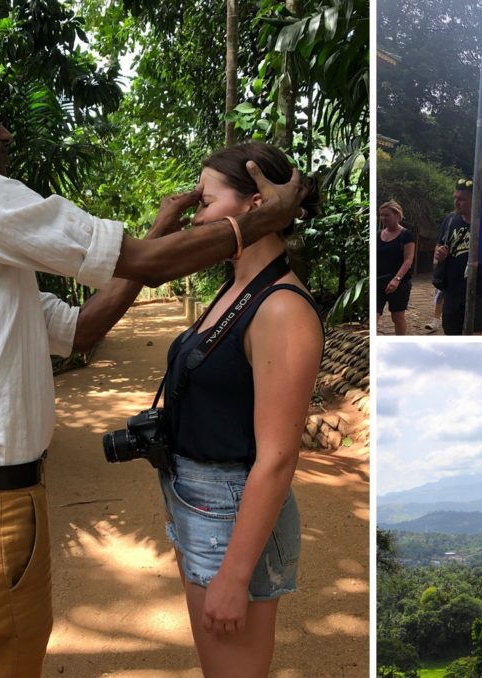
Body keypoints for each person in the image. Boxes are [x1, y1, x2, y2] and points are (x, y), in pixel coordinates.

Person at [0, 51, 305, 677]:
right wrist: (258, 222)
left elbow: (78, 329)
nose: (3, 131)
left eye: (209, 202)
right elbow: (142, 262)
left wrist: (162, 233)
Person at [159, 142, 323, 677]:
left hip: (232, 512)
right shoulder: (236, 287)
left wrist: (234, 575)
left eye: (206, 201)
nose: (198, 215)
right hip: (197, 501)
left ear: (256, 205)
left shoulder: (280, 307)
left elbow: (276, 457)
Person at [434, 179, 482, 335]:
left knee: (474, 334)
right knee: (451, 332)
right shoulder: (450, 220)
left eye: (462, 199)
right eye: (455, 198)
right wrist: (439, 253)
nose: (457, 202)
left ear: (475, 199)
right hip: (453, 288)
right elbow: (439, 245)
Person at [376, 199, 415, 334]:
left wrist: (396, 279)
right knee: (375, 316)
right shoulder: (378, 235)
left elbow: (408, 260)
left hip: (399, 282)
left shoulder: (406, 235)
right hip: (378, 281)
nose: (383, 218)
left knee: (397, 317)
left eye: (387, 215)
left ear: (397, 215)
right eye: (381, 215)